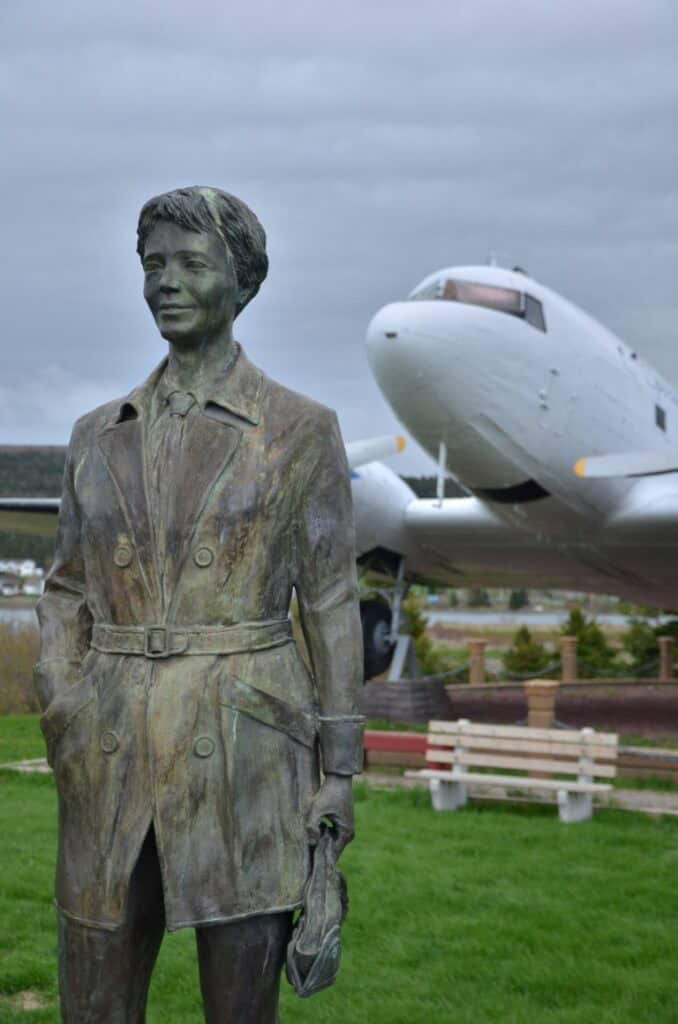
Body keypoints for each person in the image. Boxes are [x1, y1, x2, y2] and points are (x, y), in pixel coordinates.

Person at [34, 186, 364, 1023]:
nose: (165, 282)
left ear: (243, 281)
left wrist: (341, 768)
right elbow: (68, 584)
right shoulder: (96, 433)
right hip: (107, 745)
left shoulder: (298, 430)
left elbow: (328, 600)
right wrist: (61, 694)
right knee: (94, 995)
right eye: (152, 265)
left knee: (240, 1000)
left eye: (190, 263)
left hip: (243, 747)